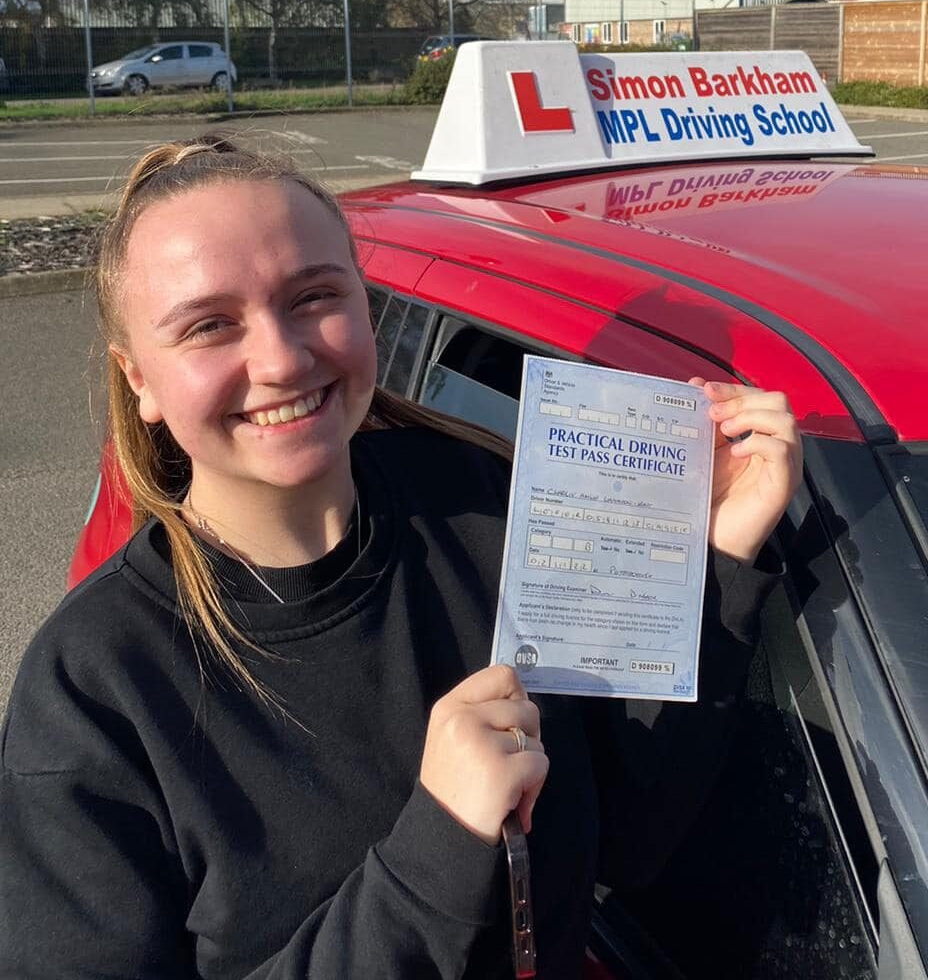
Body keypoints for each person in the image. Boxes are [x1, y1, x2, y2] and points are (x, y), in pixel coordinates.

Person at [0, 137, 801, 978]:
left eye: (313, 298)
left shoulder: (488, 504)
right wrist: (434, 856)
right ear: (140, 382)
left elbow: (631, 838)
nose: (280, 358)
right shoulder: (95, 688)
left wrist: (716, 564)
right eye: (209, 325)